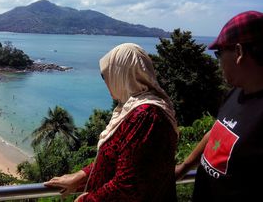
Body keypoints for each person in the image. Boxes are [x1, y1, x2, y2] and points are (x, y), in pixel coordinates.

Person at [45, 43, 179, 201]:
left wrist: (84, 200)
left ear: (121, 74)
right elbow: (121, 160)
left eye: (106, 75)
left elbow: (128, 185)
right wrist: (82, 175)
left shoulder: (146, 116)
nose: (106, 81)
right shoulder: (135, 108)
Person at [175, 11, 263, 201]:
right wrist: (184, 167)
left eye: (219, 53)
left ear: (239, 52)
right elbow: (217, 131)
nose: (219, 61)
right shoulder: (236, 93)